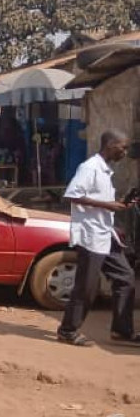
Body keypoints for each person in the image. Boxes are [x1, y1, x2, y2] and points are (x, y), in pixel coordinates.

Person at [56, 129, 137, 346]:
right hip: (90, 236)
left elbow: (98, 200)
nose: (125, 151)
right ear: (111, 145)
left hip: (105, 234)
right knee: (87, 287)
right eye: (123, 147)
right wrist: (108, 205)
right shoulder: (89, 167)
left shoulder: (104, 171)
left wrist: (119, 203)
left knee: (126, 278)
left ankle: (122, 330)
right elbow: (72, 195)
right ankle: (67, 330)